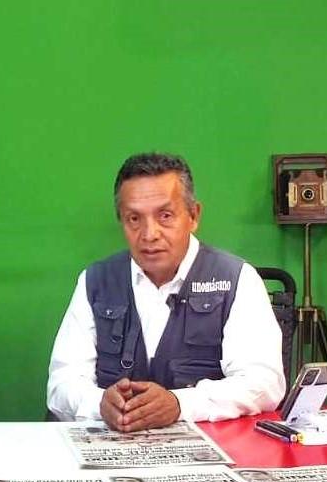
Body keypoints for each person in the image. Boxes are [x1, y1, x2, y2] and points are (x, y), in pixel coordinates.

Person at [47, 153, 284, 431]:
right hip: (112, 443)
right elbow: (61, 384)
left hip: (208, 448)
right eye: (134, 218)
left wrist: (180, 404)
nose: (149, 234)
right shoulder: (96, 281)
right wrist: (98, 403)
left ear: (194, 216)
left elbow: (263, 382)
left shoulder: (236, 279)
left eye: (165, 216)